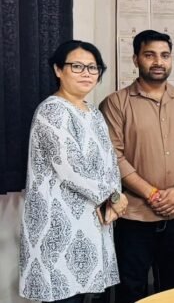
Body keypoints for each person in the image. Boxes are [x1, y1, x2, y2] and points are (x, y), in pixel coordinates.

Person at [100, 30, 174, 302]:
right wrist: (152, 194)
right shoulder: (116, 103)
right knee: (131, 289)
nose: (158, 62)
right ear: (135, 59)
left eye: (165, 55)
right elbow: (114, 156)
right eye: (150, 55)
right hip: (134, 217)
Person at [19, 40, 128, 303]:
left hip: (95, 220)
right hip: (59, 225)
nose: (87, 73)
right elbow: (71, 167)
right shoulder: (52, 110)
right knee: (64, 296)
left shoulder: (93, 113)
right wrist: (114, 197)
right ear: (58, 70)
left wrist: (114, 200)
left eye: (93, 67)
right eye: (77, 66)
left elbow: (110, 162)